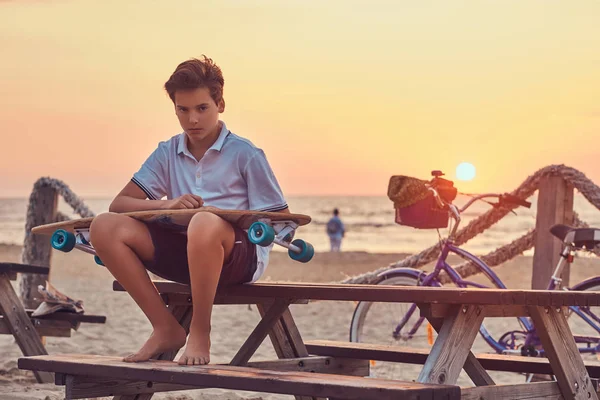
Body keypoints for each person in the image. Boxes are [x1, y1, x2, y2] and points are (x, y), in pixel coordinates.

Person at [89, 56, 288, 366]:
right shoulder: (167, 152)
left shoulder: (245, 153)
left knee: (204, 222)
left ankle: (200, 331)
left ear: (220, 104)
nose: (192, 119)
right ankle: (165, 327)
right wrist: (167, 203)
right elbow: (120, 205)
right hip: (184, 256)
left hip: (236, 261)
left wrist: (227, 220)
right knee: (104, 225)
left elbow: (281, 220)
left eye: (201, 108)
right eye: (183, 110)